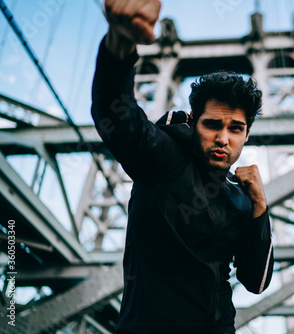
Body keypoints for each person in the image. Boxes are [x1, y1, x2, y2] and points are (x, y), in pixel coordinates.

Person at [91, 1, 274, 333]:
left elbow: (256, 281)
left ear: (247, 135)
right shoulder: (163, 158)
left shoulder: (240, 199)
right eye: (212, 125)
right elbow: (118, 119)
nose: (223, 138)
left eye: (235, 129)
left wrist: (260, 208)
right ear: (193, 122)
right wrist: (120, 44)